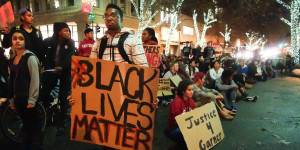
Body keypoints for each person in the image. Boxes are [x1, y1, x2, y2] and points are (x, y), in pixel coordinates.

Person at [8, 30, 42, 149]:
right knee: (26, 129)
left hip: (28, 100)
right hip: (18, 99)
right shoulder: (13, 59)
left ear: (25, 41)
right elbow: (11, 80)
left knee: (33, 131)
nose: (17, 40)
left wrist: (32, 100)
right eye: (15, 38)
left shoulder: (30, 57)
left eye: (21, 38)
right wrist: (12, 99)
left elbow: (35, 79)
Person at [41, 22, 76, 136]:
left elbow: (69, 57)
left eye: (69, 30)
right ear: (58, 31)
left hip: (65, 72)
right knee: (44, 92)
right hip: (51, 71)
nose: (68, 32)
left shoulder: (70, 42)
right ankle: (47, 112)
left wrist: (61, 66)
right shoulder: (48, 42)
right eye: (65, 30)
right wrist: (42, 66)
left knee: (63, 96)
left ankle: (62, 122)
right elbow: (41, 55)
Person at [165, 79, 195, 150]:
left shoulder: (191, 101)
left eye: (192, 89)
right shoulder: (176, 102)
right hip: (174, 129)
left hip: (186, 125)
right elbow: (176, 122)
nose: (191, 92)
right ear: (183, 91)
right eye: (189, 90)